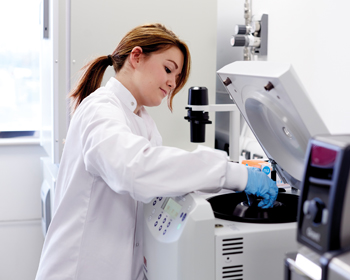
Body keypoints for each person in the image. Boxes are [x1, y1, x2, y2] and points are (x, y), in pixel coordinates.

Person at [35, 23, 277, 280]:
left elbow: (160, 178)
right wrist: (232, 173)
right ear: (136, 57)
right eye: (168, 69)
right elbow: (135, 169)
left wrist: (230, 184)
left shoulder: (141, 119)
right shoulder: (100, 109)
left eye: (177, 76)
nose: (173, 83)